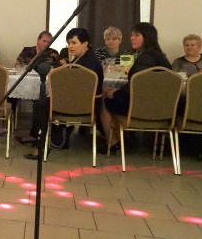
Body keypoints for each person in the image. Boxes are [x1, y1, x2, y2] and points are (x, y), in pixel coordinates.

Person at [24, 28, 104, 160]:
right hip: (85, 105)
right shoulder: (84, 59)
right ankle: (44, 140)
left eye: (74, 43)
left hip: (80, 106)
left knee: (41, 104)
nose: (70, 46)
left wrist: (54, 95)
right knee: (43, 102)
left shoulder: (86, 63)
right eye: (69, 43)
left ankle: (41, 146)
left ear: (85, 43)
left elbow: (75, 88)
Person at [99, 22, 172, 152]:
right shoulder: (160, 56)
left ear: (147, 37)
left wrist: (114, 93)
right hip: (164, 109)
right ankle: (121, 138)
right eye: (132, 35)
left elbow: (135, 85)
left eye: (137, 35)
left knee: (104, 99)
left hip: (141, 108)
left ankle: (113, 142)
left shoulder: (145, 58)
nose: (132, 38)